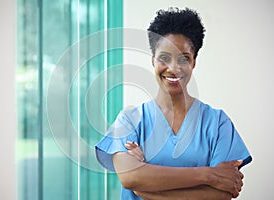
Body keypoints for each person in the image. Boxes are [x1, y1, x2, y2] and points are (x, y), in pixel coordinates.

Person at [95, 7, 252, 200]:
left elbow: (221, 194)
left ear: (193, 62)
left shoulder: (218, 123)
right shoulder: (129, 120)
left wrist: (147, 188)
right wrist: (209, 175)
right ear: (153, 60)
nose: (173, 68)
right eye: (164, 58)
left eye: (183, 58)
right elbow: (130, 177)